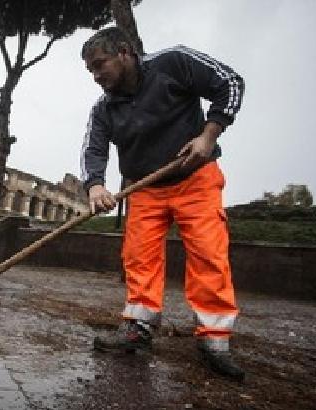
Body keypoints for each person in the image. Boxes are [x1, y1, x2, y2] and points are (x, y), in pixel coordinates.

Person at [80, 27, 245, 381]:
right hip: (144, 188)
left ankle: (215, 340)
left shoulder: (174, 62)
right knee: (139, 258)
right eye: (90, 71)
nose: (96, 77)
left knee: (208, 256)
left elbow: (230, 83)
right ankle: (138, 329)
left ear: (124, 52)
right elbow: (93, 149)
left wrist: (208, 134)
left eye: (99, 66)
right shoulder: (104, 108)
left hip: (196, 180)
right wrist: (95, 186)